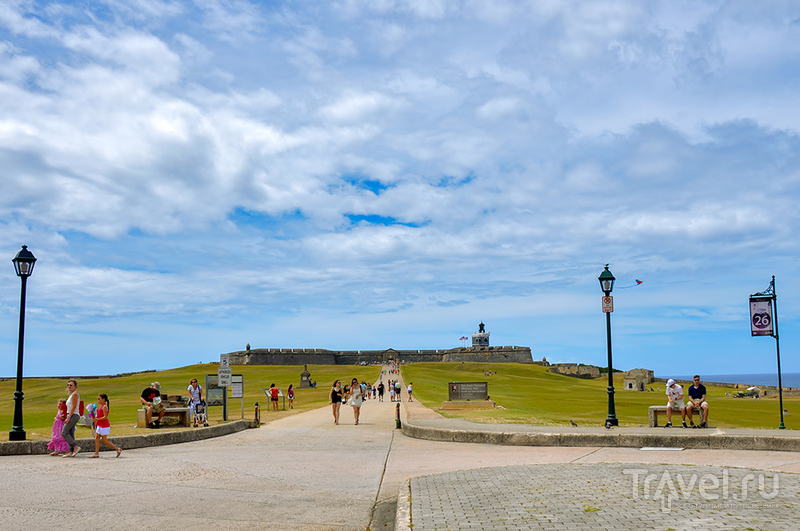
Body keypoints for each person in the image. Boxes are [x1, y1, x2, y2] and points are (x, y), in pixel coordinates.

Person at [90, 393, 122, 458]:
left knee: (104, 440)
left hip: (104, 425)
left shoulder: (104, 407)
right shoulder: (101, 407)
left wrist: (96, 419)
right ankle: (96, 453)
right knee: (97, 438)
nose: (98, 400)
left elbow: (105, 417)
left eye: (99, 399)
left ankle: (117, 449)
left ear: (103, 399)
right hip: (100, 424)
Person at [61, 379, 81, 457]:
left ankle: (75, 446)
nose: (69, 386)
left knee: (64, 432)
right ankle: (71, 451)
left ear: (75, 386)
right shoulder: (71, 395)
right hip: (71, 414)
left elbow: (73, 406)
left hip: (74, 415)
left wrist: (69, 417)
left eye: (71, 385)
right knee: (70, 433)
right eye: (68, 385)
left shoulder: (75, 394)